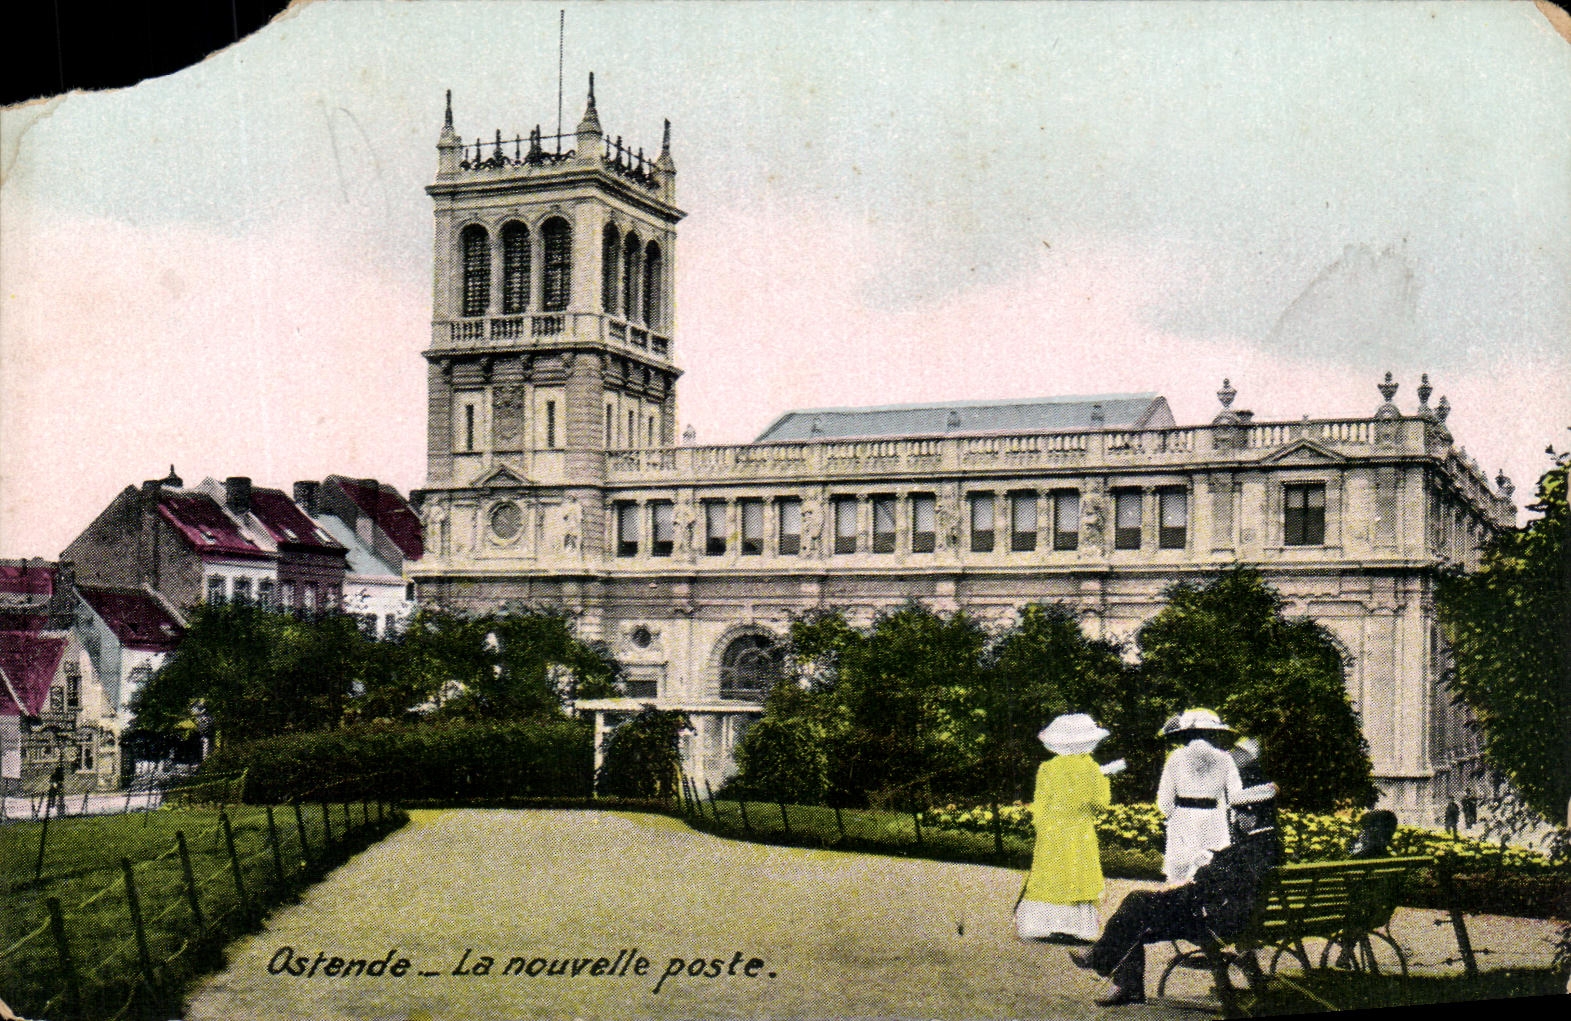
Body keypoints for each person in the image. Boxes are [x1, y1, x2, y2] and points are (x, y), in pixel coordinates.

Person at [1069, 797, 1281, 1006]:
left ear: (1253, 817)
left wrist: (1183, 888)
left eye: (1239, 814)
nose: (1236, 820)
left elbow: (1211, 888)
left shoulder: (1251, 849)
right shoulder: (1267, 845)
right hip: (1234, 920)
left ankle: (1109, 966)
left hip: (1216, 924)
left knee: (1136, 905)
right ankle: (1112, 970)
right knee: (1136, 910)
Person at [1015, 713, 1115, 943]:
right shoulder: (1092, 769)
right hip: (1079, 828)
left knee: (1050, 872)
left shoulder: (1047, 768)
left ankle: (1042, 924)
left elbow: (1040, 802)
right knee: (1078, 873)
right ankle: (1078, 927)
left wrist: (1041, 826)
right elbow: (1101, 803)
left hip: (1051, 828)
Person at [1157, 709, 1273, 886]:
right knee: (1211, 878)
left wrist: (1175, 816)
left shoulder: (1175, 758)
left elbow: (1164, 801)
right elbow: (1236, 797)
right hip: (1214, 822)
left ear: (1187, 734)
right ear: (1214, 733)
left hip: (1182, 820)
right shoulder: (1225, 759)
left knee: (1178, 882)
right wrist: (1266, 791)